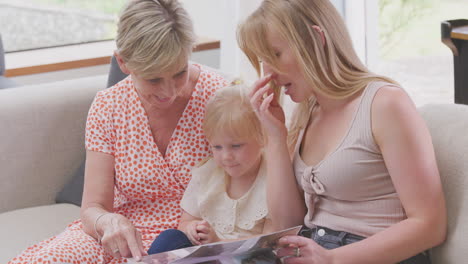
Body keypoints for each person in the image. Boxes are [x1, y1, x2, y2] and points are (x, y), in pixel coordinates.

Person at [9, 0, 227, 263]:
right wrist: (108, 221)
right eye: (154, 78)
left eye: (179, 73)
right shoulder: (108, 107)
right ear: (123, 62)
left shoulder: (219, 97)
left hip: (190, 239)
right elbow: (92, 209)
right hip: (120, 237)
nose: (169, 91)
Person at [237, 0, 447, 263]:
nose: (268, 73)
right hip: (314, 247)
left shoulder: (384, 104)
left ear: (316, 39)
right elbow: (287, 224)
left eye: (275, 55)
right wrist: (275, 138)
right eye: (262, 60)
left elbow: (429, 225)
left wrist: (331, 259)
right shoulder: (306, 113)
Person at [147, 81, 274, 255]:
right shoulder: (207, 174)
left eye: (236, 146)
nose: (226, 156)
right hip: (205, 257)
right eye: (217, 147)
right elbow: (184, 222)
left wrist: (219, 244)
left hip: (245, 257)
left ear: (261, 137)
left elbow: (269, 241)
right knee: (170, 237)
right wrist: (192, 229)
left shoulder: (273, 178)